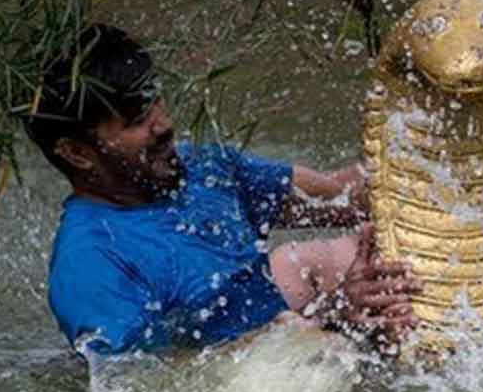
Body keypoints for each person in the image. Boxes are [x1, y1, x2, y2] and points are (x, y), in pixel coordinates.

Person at [23, 24, 419, 358]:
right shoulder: (92, 263)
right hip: (257, 376)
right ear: (76, 152)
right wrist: (332, 318)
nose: (163, 125)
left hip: (292, 328)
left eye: (155, 102)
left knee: (347, 256)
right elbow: (145, 388)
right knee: (326, 351)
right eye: (136, 119)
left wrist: (434, 158)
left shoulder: (203, 169)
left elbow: (339, 195)